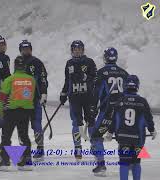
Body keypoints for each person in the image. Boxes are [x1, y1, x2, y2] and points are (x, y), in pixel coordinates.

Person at [104, 75, 157, 180]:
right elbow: (148, 119)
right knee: (136, 162)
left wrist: (110, 132)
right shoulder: (142, 101)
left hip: (123, 138)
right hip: (138, 139)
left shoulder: (120, 101)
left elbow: (114, 119)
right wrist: (152, 130)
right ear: (137, 86)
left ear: (125, 85)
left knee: (124, 163)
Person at [90, 47, 129, 176]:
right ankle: (127, 163)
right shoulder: (124, 73)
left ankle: (101, 165)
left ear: (105, 57)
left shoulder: (101, 73)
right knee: (123, 138)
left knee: (96, 136)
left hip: (107, 111)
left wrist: (92, 109)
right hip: (123, 111)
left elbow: (97, 93)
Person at [0, 56, 35, 171]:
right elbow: (32, 96)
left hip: (11, 111)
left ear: (15, 66)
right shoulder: (31, 80)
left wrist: (0, 111)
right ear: (25, 67)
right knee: (24, 136)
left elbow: (2, 97)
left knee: (6, 136)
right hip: (26, 112)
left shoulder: (10, 79)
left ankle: (5, 161)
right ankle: (27, 161)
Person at [59, 40, 97, 160]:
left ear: (83, 50)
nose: (77, 51)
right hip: (74, 98)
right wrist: (64, 93)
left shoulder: (89, 62)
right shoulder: (69, 63)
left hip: (88, 97)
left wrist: (86, 77)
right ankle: (78, 147)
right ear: (72, 51)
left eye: (79, 49)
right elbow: (67, 80)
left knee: (91, 121)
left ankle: (95, 145)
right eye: (75, 49)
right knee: (76, 122)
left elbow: (96, 78)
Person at [19, 40, 48, 161]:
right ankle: (25, 151)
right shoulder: (18, 62)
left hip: (35, 99)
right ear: (20, 50)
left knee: (36, 123)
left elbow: (43, 79)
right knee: (22, 125)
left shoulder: (37, 62)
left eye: (28, 48)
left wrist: (44, 93)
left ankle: (40, 149)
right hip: (21, 100)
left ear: (31, 49)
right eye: (24, 49)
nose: (26, 51)